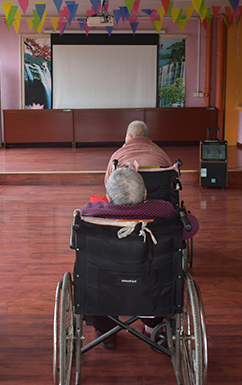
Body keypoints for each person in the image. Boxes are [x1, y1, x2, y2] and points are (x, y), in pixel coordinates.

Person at [79, 167, 192, 349]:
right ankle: (151, 328)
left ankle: (106, 332)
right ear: (145, 193)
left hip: (104, 290)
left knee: (95, 278)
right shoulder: (164, 211)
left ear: (108, 197)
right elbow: (190, 228)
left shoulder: (90, 214)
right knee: (162, 277)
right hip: (152, 288)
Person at [104, 120, 173, 184]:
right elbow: (172, 179)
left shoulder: (117, 156)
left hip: (127, 193)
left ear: (130, 136)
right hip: (159, 192)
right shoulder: (162, 154)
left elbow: (108, 183)